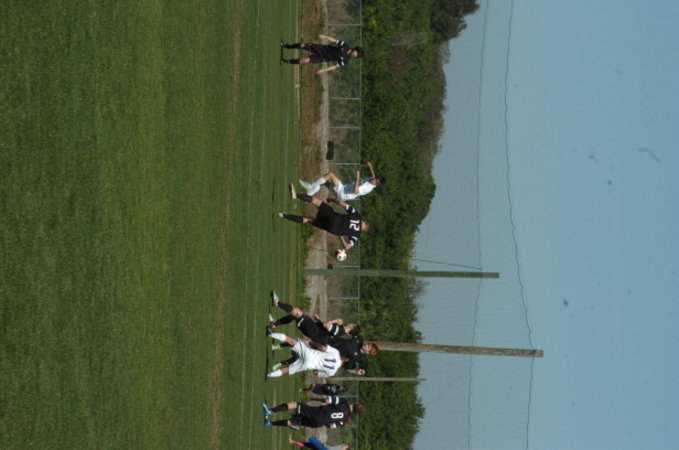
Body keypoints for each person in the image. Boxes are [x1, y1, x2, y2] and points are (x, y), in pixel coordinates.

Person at [278, 185, 369, 251]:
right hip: (331, 229)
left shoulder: (357, 216)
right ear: (362, 230)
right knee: (309, 220)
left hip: (334, 217)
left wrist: (331, 200)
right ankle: (283, 215)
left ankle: (296, 195)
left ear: (364, 222)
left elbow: (341, 203)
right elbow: (346, 246)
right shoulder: (356, 235)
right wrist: (340, 235)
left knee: (317, 202)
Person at [269, 291, 360, 345]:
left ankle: (277, 303)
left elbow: (326, 325)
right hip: (313, 330)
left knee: (297, 312)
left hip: (312, 330)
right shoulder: (340, 331)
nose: (351, 323)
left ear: (352, 327)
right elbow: (326, 329)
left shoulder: (340, 330)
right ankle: (274, 324)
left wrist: (336, 320)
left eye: (353, 324)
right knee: (294, 316)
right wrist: (318, 320)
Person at [265, 332, 343, 379]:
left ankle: (270, 334)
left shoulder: (336, 353)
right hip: (309, 365)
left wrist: (313, 343)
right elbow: (315, 373)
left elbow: (322, 347)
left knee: (292, 341)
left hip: (310, 353)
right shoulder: (332, 373)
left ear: (346, 360)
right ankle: (269, 375)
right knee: (287, 369)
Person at [298, 161, 386, 201]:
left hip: (343, 193)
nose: (374, 179)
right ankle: (307, 195)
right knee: (324, 182)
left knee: (330, 175)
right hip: (343, 190)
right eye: (376, 177)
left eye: (376, 180)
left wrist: (357, 178)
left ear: (377, 183)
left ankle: (309, 186)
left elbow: (356, 192)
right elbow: (373, 174)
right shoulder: (372, 179)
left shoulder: (368, 188)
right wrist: (369, 165)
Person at [280, 34, 363, 75]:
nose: (355, 55)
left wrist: (323, 70)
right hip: (322, 49)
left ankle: (286, 61)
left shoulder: (346, 60)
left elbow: (334, 66)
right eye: (356, 54)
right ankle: (288, 46)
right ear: (355, 50)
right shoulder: (345, 45)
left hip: (322, 57)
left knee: (305, 60)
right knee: (303, 45)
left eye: (356, 56)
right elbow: (335, 41)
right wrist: (325, 37)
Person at [263, 397, 365, 429]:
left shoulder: (343, 402)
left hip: (317, 413)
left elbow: (328, 400)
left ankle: (270, 411)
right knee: (295, 421)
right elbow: (331, 426)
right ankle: (270, 423)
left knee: (295, 404)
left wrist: (321, 401)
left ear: (356, 403)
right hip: (318, 424)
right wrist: (326, 420)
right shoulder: (345, 419)